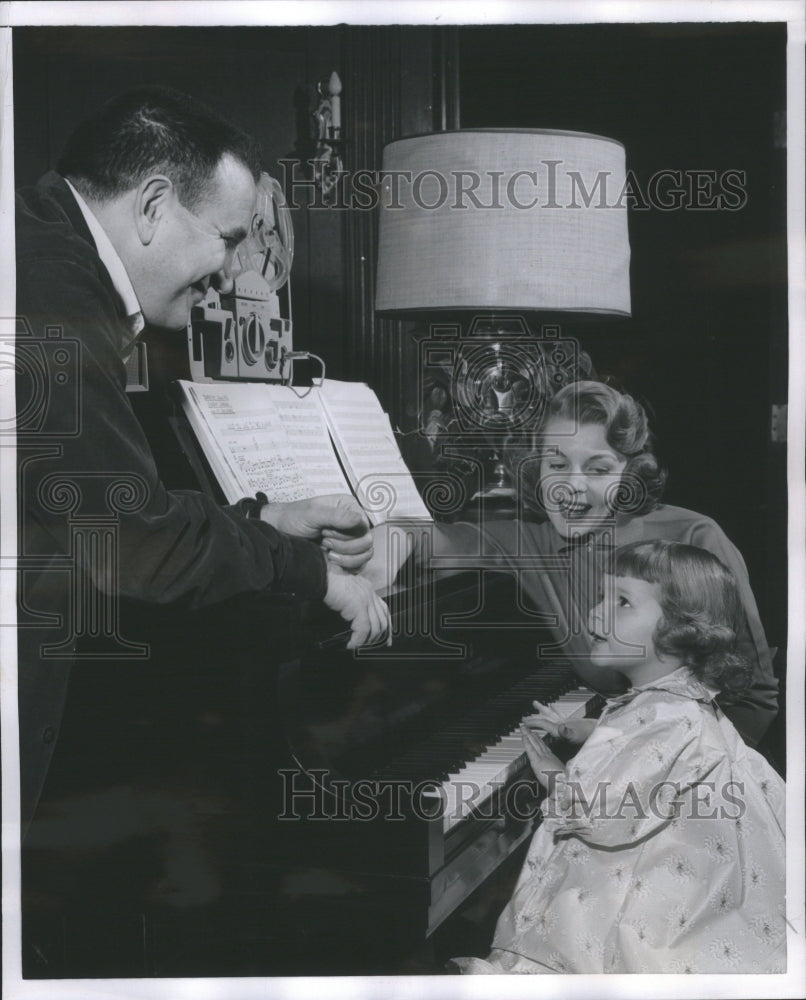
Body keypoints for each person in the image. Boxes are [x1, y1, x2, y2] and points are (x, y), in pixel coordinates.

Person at [15, 86, 389, 831]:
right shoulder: (47, 294)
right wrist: (309, 572)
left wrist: (264, 518)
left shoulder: (40, 252)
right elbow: (136, 548)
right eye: (227, 237)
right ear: (154, 205)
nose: (231, 272)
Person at [364, 380, 778, 749]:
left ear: (630, 476)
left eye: (598, 469)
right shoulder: (529, 542)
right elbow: (437, 541)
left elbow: (753, 700)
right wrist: (394, 533)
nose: (571, 486)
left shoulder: (694, 539)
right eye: (557, 464)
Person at [451, 540, 786, 974]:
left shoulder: (669, 717)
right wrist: (589, 730)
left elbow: (603, 813)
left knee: (587, 932)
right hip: (693, 847)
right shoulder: (676, 698)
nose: (595, 614)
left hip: (666, 880)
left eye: (622, 602)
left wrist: (556, 776)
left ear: (680, 630)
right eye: (601, 596)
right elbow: (645, 736)